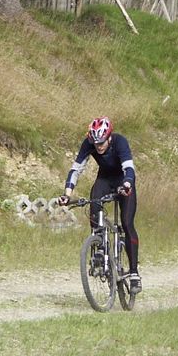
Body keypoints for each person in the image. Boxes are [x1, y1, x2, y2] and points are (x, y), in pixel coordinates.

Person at [58, 117, 141, 294]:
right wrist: (67, 194)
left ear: (109, 137)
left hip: (123, 181)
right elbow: (76, 169)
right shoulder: (89, 144)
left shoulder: (120, 142)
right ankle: (98, 253)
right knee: (94, 207)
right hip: (104, 179)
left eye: (102, 143)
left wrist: (127, 184)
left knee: (127, 224)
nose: (99, 147)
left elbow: (129, 168)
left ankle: (134, 273)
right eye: (95, 144)